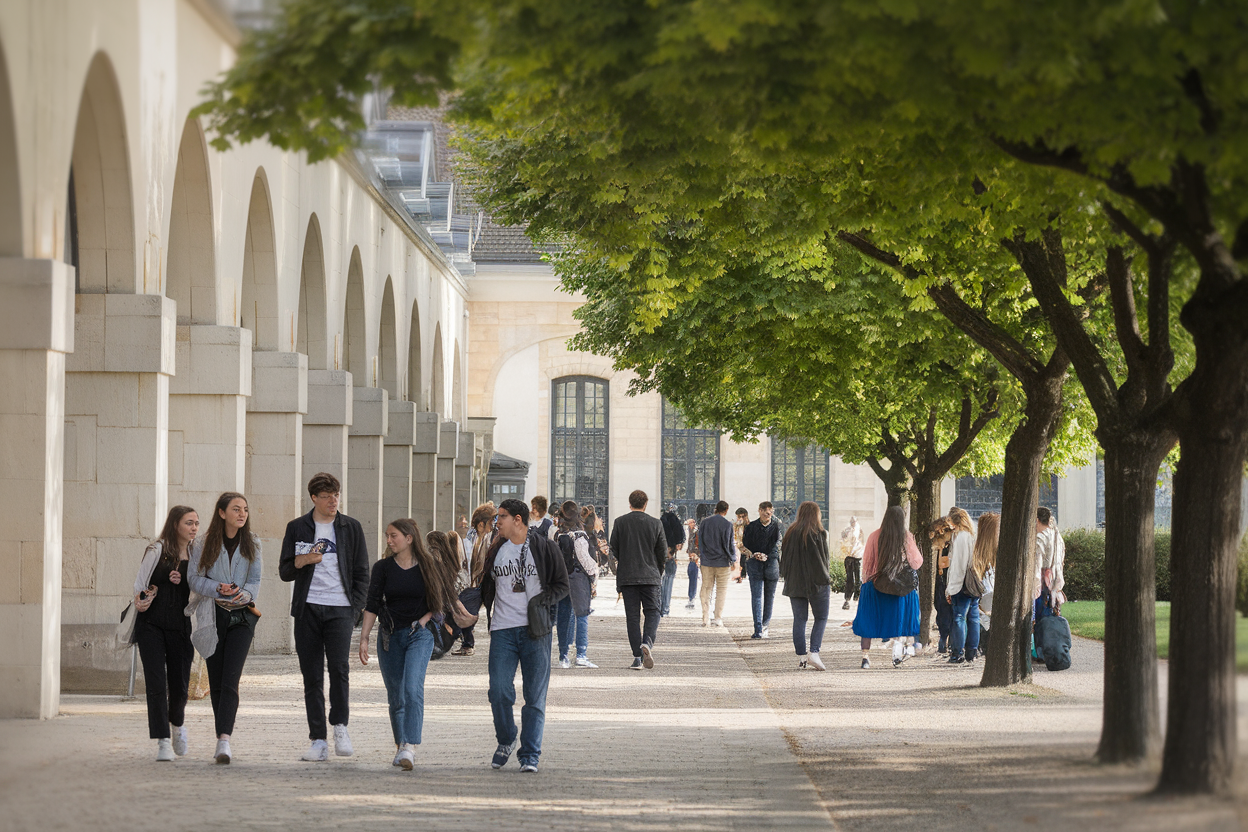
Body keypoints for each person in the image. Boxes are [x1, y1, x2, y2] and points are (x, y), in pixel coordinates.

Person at [278, 472, 370, 762]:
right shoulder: (297, 527)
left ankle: (340, 726)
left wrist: (355, 609)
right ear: (314, 498)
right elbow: (284, 571)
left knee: (340, 669)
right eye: (327, 496)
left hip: (340, 609)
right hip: (307, 609)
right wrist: (303, 560)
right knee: (312, 675)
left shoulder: (351, 527)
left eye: (336, 495)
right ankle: (318, 739)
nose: (333, 501)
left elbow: (362, 572)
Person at [359, 519, 457, 770]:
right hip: (389, 636)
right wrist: (364, 637)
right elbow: (372, 603)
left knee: (412, 689)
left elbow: (438, 602)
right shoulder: (382, 568)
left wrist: (423, 621)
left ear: (409, 538)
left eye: (394, 536)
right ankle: (401, 745)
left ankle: (410, 746)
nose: (389, 540)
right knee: (396, 696)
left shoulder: (428, 565)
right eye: (387, 536)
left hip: (419, 634)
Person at [480, 498, 569, 772]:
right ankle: (507, 738)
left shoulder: (545, 547)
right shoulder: (496, 549)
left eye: (502, 517)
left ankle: (530, 754)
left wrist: (542, 602)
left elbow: (562, 585)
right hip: (502, 630)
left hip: (536, 631)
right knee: (498, 690)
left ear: (517, 519)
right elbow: (485, 586)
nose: (497, 522)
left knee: (534, 696)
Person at [187, 492, 262, 764]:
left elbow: (255, 580)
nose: (242, 514)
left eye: (245, 509)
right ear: (222, 513)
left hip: (242, 618)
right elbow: (194, 579)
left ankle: (224, 740)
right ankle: (221, 735)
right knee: (217, 681)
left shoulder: (252, 542)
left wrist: (244, 594)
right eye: (236, 509)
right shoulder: (202, 543)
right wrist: (217, 587)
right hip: (212, 616)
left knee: (231, 679)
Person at [132, 505, 199, 761]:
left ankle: (177, 725)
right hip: (151, 625)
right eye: (188, 523)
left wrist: (185, 582)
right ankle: (162, 741)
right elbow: (139, 586)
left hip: (180, 627)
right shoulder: (157, 550)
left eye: (196, 523)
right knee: (156, 684)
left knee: (180, 685)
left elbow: (200, 590)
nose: (194, 528)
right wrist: (155, 588)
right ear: (175, 525)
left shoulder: (197, 553)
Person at [852, 506, 922, 669]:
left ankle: (865, 658)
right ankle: (896, 654)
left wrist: (866, 583)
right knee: (898, 619)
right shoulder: (906, 537)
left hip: (876, 585)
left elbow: (868, 563)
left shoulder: (874, 536)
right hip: (900, 588)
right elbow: (916, 562)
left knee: (868, 621)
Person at [610, 490, 668, 669]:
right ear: (645, 504)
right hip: (650, 576)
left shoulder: (620, 522)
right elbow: (662, 552)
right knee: (653, 612)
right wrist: (658, 572)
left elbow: (614, 550)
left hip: (628, 577)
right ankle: (647, 642)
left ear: (630, 504)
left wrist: (619, 570)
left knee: (633, 617)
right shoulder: (656, 523)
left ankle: (637, 657)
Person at [779, 501, 832, 671]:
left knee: (800, 619)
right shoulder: (818, 533)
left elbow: (784, 559)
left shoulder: (791, 532)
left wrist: (786, 576)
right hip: (817, 583)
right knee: (821, 618)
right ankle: (814, 652)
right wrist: (827, 579)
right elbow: (823, 560)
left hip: (795, 583)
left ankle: (802, 656)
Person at [554, 500, 599, 669]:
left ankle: (563, 655)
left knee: (564, 617)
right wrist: (594, 575)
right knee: (582, 615)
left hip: (561, 579)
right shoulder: (579, 536)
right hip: (578, 579)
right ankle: (581, 654)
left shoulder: (557, 534)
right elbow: (585, 560)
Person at [454, 502, 495, 657]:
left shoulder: (490, 538)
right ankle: (466, 643)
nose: (493, 526)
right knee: (466, 611)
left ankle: (467, 643)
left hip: (483, 583)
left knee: (469, 611)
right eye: (490, 523)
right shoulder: (473, 538)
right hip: (475, 583)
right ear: (481, 524)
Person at [943, 506, 981, 665]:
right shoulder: (974, 534)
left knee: (959, 617)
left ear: (954, 521)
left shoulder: (960, 538)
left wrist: (950, 588)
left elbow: (958, 566)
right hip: (974, 582)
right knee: (974, 617)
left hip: (962, 584)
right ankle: (972, 651)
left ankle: (957, 653)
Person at [741, 501, 783, 639]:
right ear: (759, 511)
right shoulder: (751, 526)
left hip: (771, 564)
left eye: (770, 510)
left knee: (769, 596)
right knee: (757, 596)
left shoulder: (777, 526)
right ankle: (758, 628)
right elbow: (746, 543)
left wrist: (767, 555)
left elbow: (779, 543)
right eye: (764, 510)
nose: (767, 512)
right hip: (755, 564)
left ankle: (765, 626)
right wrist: (755, 554)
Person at [698, 501, 738, 627]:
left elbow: (700, 541)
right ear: (726, 510)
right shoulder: (727, 524)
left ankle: (705, 617)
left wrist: (702, 555)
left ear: (716, 509)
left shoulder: (705, 522)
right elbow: (729, 544)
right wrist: (733, 559)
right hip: (723, 562)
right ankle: (717, 617)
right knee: (721, 591)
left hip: (707, 561)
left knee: (706, 588)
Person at [928, 516, 955, 658]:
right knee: (942, 610)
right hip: (942, 581)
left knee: (946, 611)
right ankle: (945, 640)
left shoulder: (951, 545)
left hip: (947, 581)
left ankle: (946, 641)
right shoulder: (943, 546)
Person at [1035, 506, 1066, 617]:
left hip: (1042, 587)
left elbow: (1036, 565)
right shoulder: (1058, 538)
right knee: (1051, 621)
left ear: (1037, 520)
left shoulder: (1040, 538)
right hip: (1055, 586)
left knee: (1039, 622)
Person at [659, 503, 685, 617]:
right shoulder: (674, 520)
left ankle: (661, 607)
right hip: (670, 556)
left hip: (661, 556)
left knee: (661, 582)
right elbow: (679, 535)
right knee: (668, 581)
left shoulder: (662, 521)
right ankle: (665, 608)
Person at [839, 516, 865, 610]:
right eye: (851, 521)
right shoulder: (847, 530)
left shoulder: (859, 530)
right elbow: (843, 539)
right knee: (849, 578)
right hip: (849, 556)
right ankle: (848, 598)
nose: (852, 523)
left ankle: (856, 597)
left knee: (857, 578)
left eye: (854, 521)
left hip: (857, 556)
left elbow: (861, 542)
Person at [684, 517, 700, 610]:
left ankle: (691, 598)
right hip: (692, 557)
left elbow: (697, 544)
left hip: (695, 558)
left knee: (693, 576)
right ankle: (691, 597)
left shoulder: (695, 532)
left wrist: (696, 554)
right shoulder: (691, 532)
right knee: (691, 575)